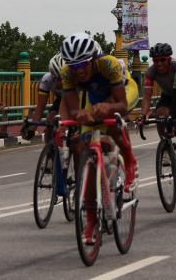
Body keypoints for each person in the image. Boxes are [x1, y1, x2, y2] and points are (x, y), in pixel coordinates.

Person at [59, 32, 138, 244]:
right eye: (74, 67)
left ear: (94, 59)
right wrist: (77, 117)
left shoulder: (109, 64)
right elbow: (74, 109)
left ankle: (130, 160)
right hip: (95, 97)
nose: (79, 71)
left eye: (83, 64)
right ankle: (91, 220)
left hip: (123, 91)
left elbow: (121, 104)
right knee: (83, 144)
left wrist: (110, 107)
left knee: (110, 117)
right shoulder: (67, 73)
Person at [140, 43, 176, 138]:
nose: (159, 63)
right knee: (160, 114)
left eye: (162, 60)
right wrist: (143, 114)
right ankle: (165, 144)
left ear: (169, 59)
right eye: (155, 61)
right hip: (167, 95)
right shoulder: (151, 72)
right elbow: (147, 97)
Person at [23, 54, 65, 140]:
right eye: (56, 78)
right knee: (50, 119)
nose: (59, 82)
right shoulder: (47, 79)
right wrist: (32, 129)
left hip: (76, 98)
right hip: (61, 99)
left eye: (62, 78)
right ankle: (49, 150)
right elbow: (40, 108)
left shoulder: (75, 79)